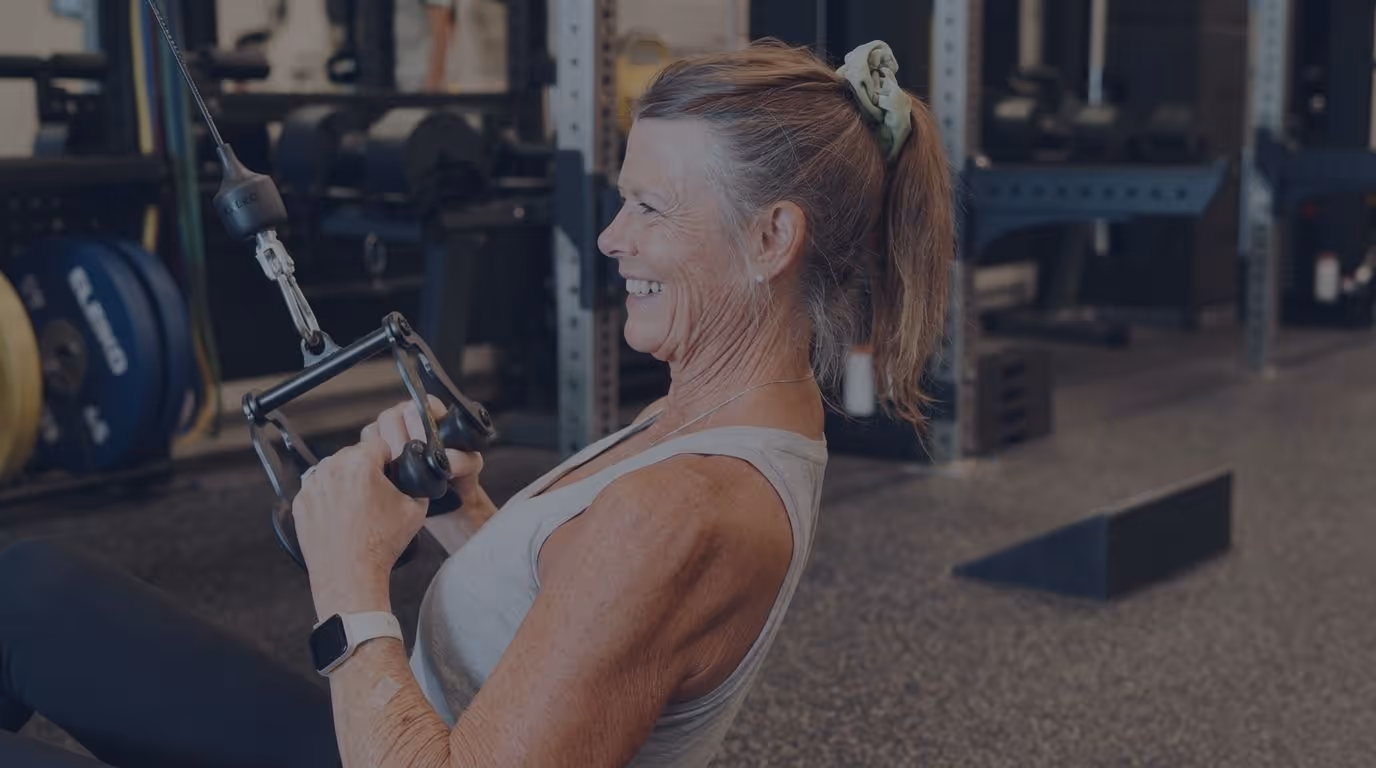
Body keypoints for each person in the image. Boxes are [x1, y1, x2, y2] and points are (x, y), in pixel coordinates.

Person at [0, 39, 952, 767]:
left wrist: (347, 580)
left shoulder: (686, 510)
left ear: (772, 237)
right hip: (394, 735)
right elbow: (588, 605)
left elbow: (634, 559)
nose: (611, 238)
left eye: (651, 210)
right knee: (27, 590)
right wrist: (469, 518)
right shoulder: (718, 413)